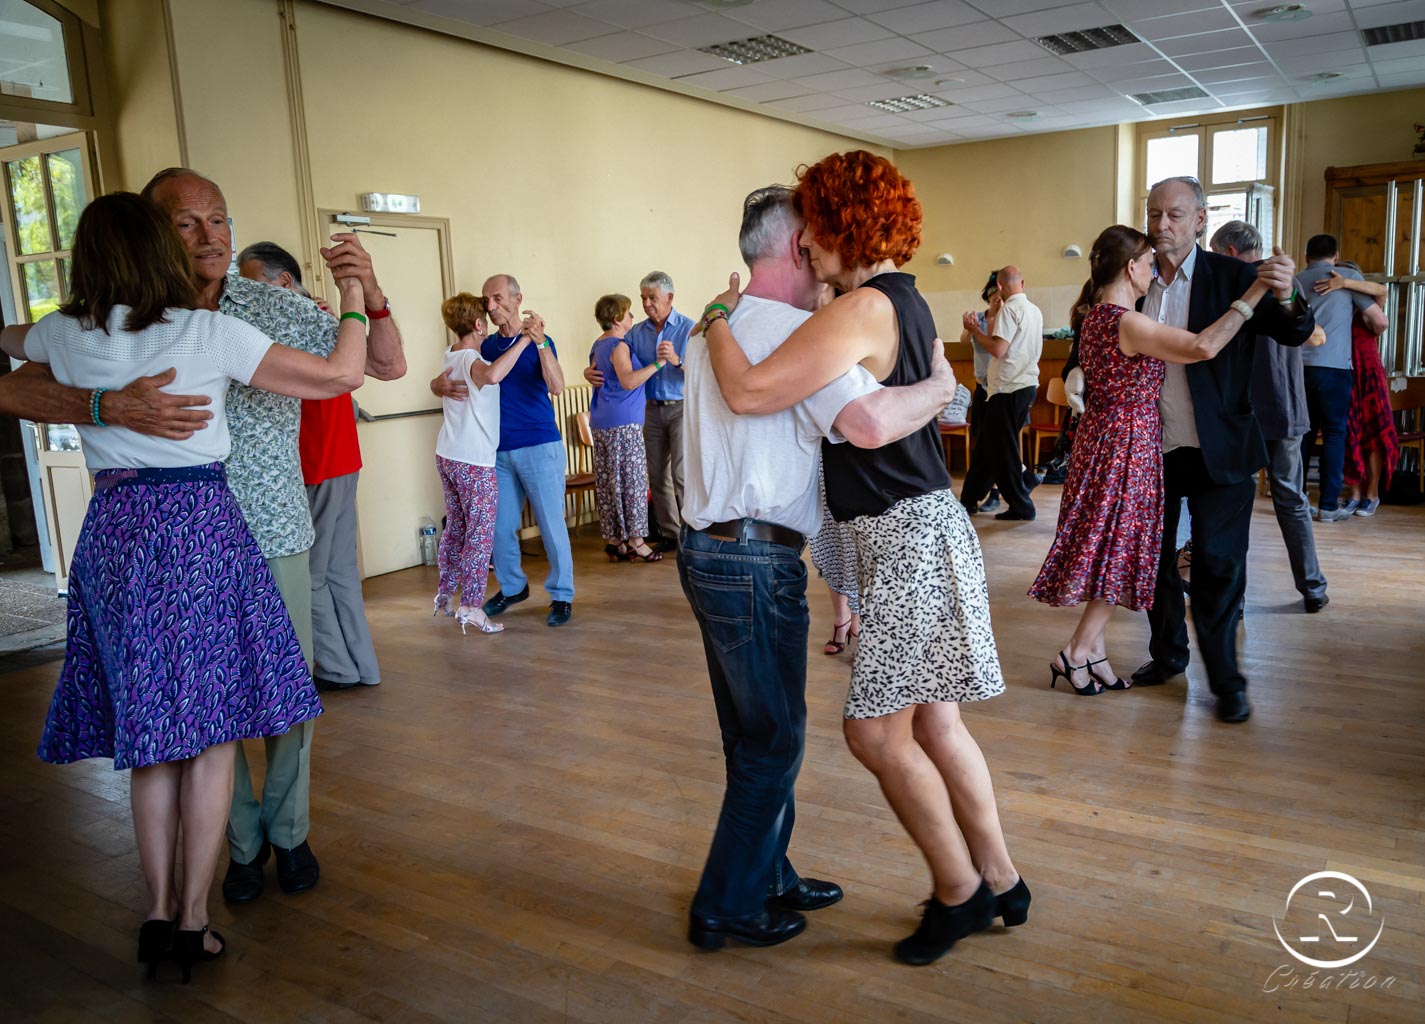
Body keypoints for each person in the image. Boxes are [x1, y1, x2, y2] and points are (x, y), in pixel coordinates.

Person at [3, 167, 407, 902]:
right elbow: (20, 385)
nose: (211, 236)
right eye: (188, 224)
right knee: (203, 708)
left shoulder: (264, 306)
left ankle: (289, 832)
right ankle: (240, 845)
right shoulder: (102, 322)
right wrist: (107, 405)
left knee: (281, 698)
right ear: (156, 234)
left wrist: (369, 296)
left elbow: (380, 365)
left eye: (219, 220)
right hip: (181, 539)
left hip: (270, 524)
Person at [701, 152, 1027, 966]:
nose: (806, 245)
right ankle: (1001, 877)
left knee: (874, 737)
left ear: (845, 225)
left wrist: (711, 318)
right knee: (936, 724)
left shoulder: (859, 308)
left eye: (815, 228)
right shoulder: (900, 301)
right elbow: (884, 422)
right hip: (914, 531)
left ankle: (958, 893)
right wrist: (943, 391)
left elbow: (767, 399)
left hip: (908, 536)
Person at [1029, 225, 1272, 693]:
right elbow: (1203, 347)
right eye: (1147, 262)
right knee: (1119, 550)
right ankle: (1075, 652)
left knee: (1112, 546)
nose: (1153, 269)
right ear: (1131, 268)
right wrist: (1253, 292)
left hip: (1104, 441)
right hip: (1127, 446)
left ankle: (1094, 652)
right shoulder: (1127, 322)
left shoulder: (1093, 317)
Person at [1128, 177, 1316, 723]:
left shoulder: (1234, 276)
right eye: (1155, 213)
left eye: (1175, 215)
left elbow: (1295, 331)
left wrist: (1286, 292)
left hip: (1222, 447)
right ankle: (1167, 655)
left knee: (1218, 563)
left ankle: (1227, 682)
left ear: (1201, 220)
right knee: (1154, 561)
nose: (1162, 225)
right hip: (1152, 450)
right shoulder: (1133, 280)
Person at [237, 241, 383, 686]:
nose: (242, 296)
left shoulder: (293, 326)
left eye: (249, 284)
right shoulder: (326, 321)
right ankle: (362, 667)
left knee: (312, 576)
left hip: (317, 462)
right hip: (341, 459)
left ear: (282, 282)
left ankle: (338, 667)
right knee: (338, 572)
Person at [432, 275, 573, 627]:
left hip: (540, 444)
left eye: (497, 298)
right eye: (487, 300)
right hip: (496, 452)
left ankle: (561, 595)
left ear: (517, 298)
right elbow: (459, 368)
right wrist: (436, 385)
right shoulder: (487, 347)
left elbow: (557, 387)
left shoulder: (542, 341)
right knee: (498, 527)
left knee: (552, 526)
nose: (491, 306)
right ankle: (512, 587)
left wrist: (539, 344)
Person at [1209, 221, 1330, 612]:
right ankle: (1312, 588)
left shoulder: (1241, 284)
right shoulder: (1283, 282)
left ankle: (1235, 600)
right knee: (1291, 499)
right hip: (1285, 406)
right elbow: (1316, 334)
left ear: (1228, 252)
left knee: (1236, 506)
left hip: (1245, 410)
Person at [434, 292, 536, 633]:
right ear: (478, 325)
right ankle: (472, 607)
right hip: (473, 461)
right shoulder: (471, 360)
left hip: (448, 455)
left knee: (457, 530)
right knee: (479, 536)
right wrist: (524, 339)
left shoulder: (450, 353)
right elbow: (492, 376)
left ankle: (445, 594)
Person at [1298, 234, 1375, 521]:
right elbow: (1378, 319)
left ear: (1307, 256)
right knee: (1334, 435)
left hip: (1300, 368)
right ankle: (1329, 507)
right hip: (1335, 369)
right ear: (1336, 254)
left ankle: (1299, 502)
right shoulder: (1346, 276)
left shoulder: (1295, 280)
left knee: (1302, 436)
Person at [959, 266, 1043, 520]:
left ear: (1001, 287)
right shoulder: (1034, 311)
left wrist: (976, 331)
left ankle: (1021, 505)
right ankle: (968, 500)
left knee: (1002, 451)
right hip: (1024, 385)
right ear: (1023, 283)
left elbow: (997, 349)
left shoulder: (1010, 309)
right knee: (987, 447)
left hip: (1008, 388)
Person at [1316, 264, 1396, 517]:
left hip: (1369, 370)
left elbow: (1382, 290)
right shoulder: (1338, 306)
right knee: (1348, 432)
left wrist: (1345, 282)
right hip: (1345, 368)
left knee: (1373, 432)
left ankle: (1372, 493)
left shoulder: (1368, 306)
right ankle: (1354, 492)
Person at [587, 293, 663, 562]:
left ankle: (615, 540)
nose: (632, 317)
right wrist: (657, 364)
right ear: (618, 318)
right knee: (632, 482)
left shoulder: (598, 344)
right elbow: (629, 381)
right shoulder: (619, 346)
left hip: (602, 420)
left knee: (610, 483)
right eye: (629, 313)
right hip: (623, 423)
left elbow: (597, 373)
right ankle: (638, 541)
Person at [625, 271, 694, 549]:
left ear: (670, 298)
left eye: (652, 298)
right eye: (643, 298)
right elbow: (616, 357)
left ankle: (693, 535)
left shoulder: (689, 328)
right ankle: (671, 535)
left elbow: (702, 373)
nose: (647, 304)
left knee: (680, 474)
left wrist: (677, 361)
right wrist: (588, 369)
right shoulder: (636, 332)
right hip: (650, 410)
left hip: (680, 408)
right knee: (656, 475)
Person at [957, 271, 1002, 513]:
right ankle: (981, 491)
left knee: (993, 442)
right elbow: (964, 341)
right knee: (979, 438)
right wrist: (968, 328)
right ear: (988, 295)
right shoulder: (979, 318)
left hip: (999, 388)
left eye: (1001, 294)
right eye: (993, 293)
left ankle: (994, 492)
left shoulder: (1007, 318)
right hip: (980, 386)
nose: (997, 298)